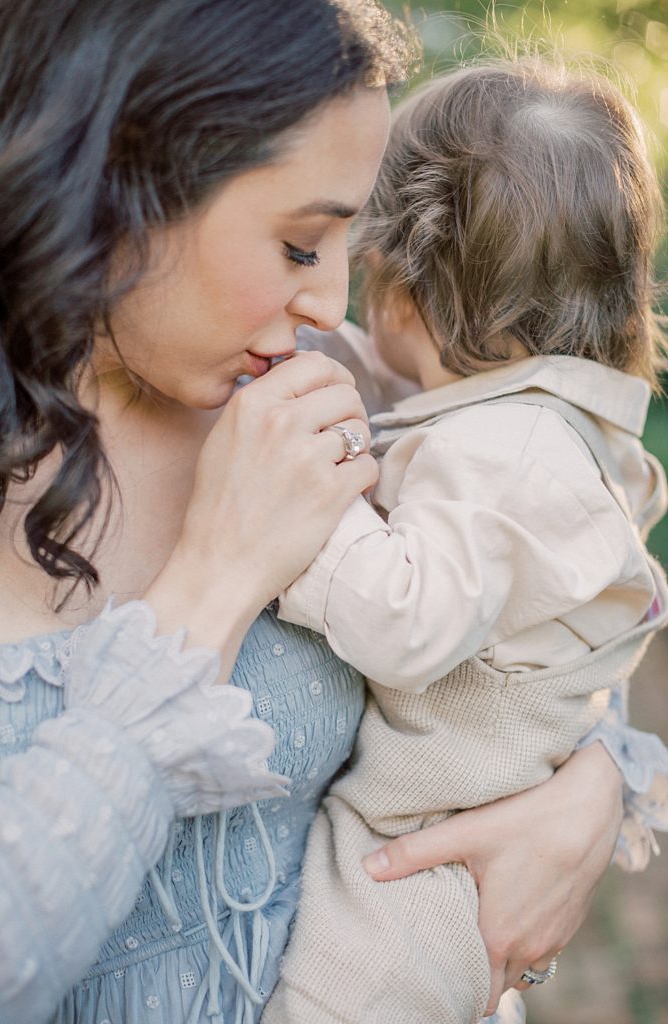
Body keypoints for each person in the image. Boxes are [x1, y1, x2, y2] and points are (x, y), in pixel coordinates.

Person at [0, 3, 655, 1022]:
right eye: (300, 245)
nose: (331, 302)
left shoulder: (316, 383)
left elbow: (531, 591)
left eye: (349, 238)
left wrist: (592, 787)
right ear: (121, 184)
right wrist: (214, 582)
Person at [263, 56, 668, 1024]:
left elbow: (405, 619)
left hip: (422, 868)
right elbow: (398, 390)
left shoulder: (509, 454)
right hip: (445, 850)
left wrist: (295, 505)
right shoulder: (527, 418)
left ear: (402, 288)